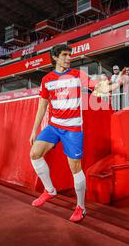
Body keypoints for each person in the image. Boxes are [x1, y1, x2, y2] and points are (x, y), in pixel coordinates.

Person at [28, 44, 123, 222]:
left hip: (73, 129)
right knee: (34, 153)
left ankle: (81, 207)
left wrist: (116, 84)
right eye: (64, 55)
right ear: (55, 57)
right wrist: (34, 130)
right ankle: (49, 190)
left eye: (69, 55)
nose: (68, 58)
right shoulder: (47, 79)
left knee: (75, 168)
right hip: (54, 126)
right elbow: (42, 106)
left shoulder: (78, 75)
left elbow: (99, 88)